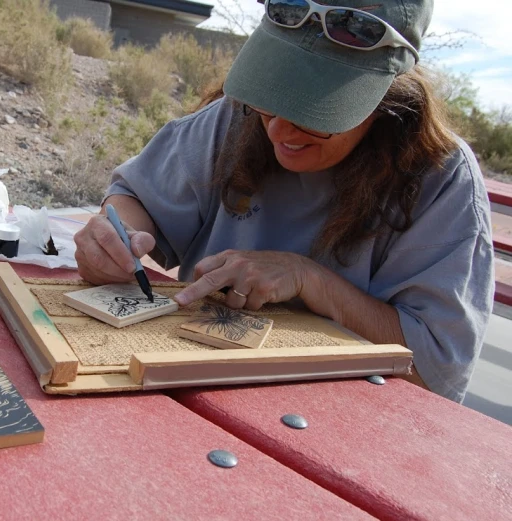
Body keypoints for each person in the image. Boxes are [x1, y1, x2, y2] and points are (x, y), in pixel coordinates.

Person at [74, 0, 495, 403]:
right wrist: (116, 236)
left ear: (384, 98)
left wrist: (308, 279)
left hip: (346, 421)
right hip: (188, 389)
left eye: (315, 114)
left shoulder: (439, 178)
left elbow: (434, 371)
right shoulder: (235, 119)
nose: (278, 132)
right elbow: (134, 196)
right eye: (269, 102)